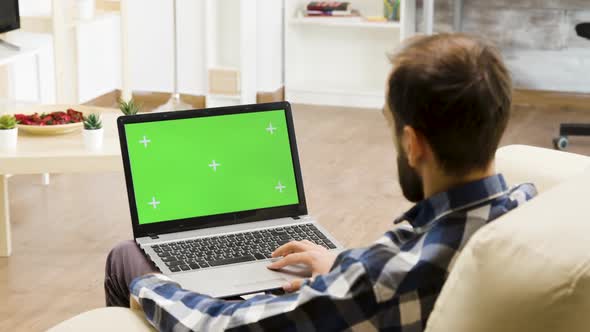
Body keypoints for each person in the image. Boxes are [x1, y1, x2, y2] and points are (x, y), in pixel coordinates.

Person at [104, 33, 537, 331]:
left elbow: (221, 326)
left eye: (390, 124)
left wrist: (150, 286)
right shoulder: (524, 208)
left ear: (413, 143)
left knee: (127, 257)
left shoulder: (382, 284)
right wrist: (345, 262)